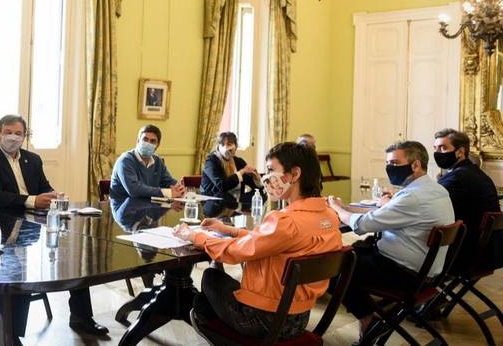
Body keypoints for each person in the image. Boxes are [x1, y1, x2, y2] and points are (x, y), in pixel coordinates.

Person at [175, 142, 342, 341]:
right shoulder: (329, 216)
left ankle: (221, 334)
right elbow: (270, 240)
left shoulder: (285, 221)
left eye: (270, 170)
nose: (265, 177)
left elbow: (235, 252)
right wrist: (228, 230)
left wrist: (194, 236)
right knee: (217, 290)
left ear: (295, 174)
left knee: (211, 277)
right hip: (300, 318)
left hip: (262, 321)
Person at [0, 115, 108, 341]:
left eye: (18, 133)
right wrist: (32, 200)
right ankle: (10, 334)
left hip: (33, 225)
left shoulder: (32, 159)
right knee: (19, 268)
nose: (13, 137)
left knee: (71, 256)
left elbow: (44, 187)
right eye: (8, 132)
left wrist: (54, 196)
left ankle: (81, 317)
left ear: (25, 136)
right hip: (1, 226)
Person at [327, 140, 454, 343]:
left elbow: (361, 225)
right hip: (427, 272)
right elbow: (385, 213)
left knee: (333, 266)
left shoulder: (412, 197)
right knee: (352, 252)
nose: (389, 168)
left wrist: (336, 207)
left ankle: (367, 318)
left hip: (405, 274)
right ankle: (373, 313)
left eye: (394, 163)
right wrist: (348, 208)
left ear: (415, 165)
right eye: (387, 163)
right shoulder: (435, 189)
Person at [433, 128, 500, 271]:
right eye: (435, 148)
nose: (437, 153)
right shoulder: (475, 172)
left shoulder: (457, 178)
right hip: (488, 252)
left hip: (466, 255)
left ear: (460, 152)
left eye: (443, 148)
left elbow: (429, 203)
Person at [109, 124, 185, 216]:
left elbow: (168, 181)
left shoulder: (158, 161)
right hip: (125, 213)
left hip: (149, 209)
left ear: (157, 146)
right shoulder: (125, 160)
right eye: (145, 139)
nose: (148, 143)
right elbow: (134, 190)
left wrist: (179, 189)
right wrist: (168, 193)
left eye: (153, 141)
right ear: (138, 141)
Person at [199, 131, 263, 218]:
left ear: (235, 147)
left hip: (234, 202)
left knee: (261, 197)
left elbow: (256, 188)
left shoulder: (238, 161)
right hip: (214, 204)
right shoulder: (212, 161)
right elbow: (222, 186)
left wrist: (256, 178)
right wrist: (241, 172)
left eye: (229, 144)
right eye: (222, 144)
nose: (225, 147)